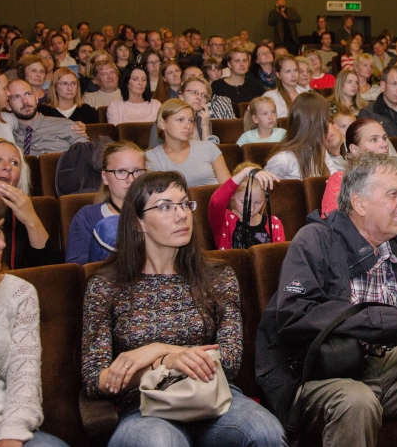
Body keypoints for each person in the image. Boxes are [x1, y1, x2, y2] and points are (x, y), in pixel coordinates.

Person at [255, 151, 397, 447]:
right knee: (357, 401)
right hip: (317, 373)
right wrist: (386, 318)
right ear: (360, 203)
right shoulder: (314, 240)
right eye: (393, 194)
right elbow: (295, 315)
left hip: (387, 364)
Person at [81, 171, 286, 447]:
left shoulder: (218, 276)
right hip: (146, 403)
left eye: (184, 204)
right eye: (165, 207)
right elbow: (95, 379)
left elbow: (229, 360)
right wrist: (163, 363)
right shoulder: (106, 285)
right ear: (138, 222)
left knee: (264, 432)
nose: (181, 215)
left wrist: (156, 351)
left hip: (212, 394)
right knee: (159, 442)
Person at [0, 187, 71, 447]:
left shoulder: (19, 293)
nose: (0, 243)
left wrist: (10, 436)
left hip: (6, 428)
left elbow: (25, 377)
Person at [321, 119, 397, 231]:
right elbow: (336, 230)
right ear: (354, 150)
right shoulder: (339, 182)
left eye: (384, 138)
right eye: (374, 139)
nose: (384, 144)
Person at [0, 139, 58, 268]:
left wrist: (31, 220)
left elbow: (51, 270)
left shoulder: (21, 211)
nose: (7, 167)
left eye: (14, 162)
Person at [65, 141, 146, 265]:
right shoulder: (87, 217)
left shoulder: (157, 211)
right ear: (105, 177)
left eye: (138, 171)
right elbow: (78, 267)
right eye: (121, 172)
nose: (131, 179)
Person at [145, 99, 230, 187]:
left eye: (190, 121)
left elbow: (228, 188)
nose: (188, 126)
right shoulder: (151, 158)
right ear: (162, 124)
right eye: (180, 120)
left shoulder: (209, 148)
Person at [264, 91, 343, 180]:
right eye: (325, 120)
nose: (327, 125)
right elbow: (264, 187)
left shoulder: (320, 149)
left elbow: (335, 181)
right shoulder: (282, 159)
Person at [209, 162, 285, 249]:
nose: (251, 209)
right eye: (244, 202)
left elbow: (280, 253)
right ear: (232, 195)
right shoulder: (224, 221)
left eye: (258, 202)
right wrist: (244, 173)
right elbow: (216, 202)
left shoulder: (273, 223)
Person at [8, 80, 88, 156]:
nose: (25, 101)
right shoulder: (9, 135)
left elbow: (87, 153)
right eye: (16, 97)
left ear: (36, 98)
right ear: (8, 106)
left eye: (28, 94)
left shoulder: (65, 125)